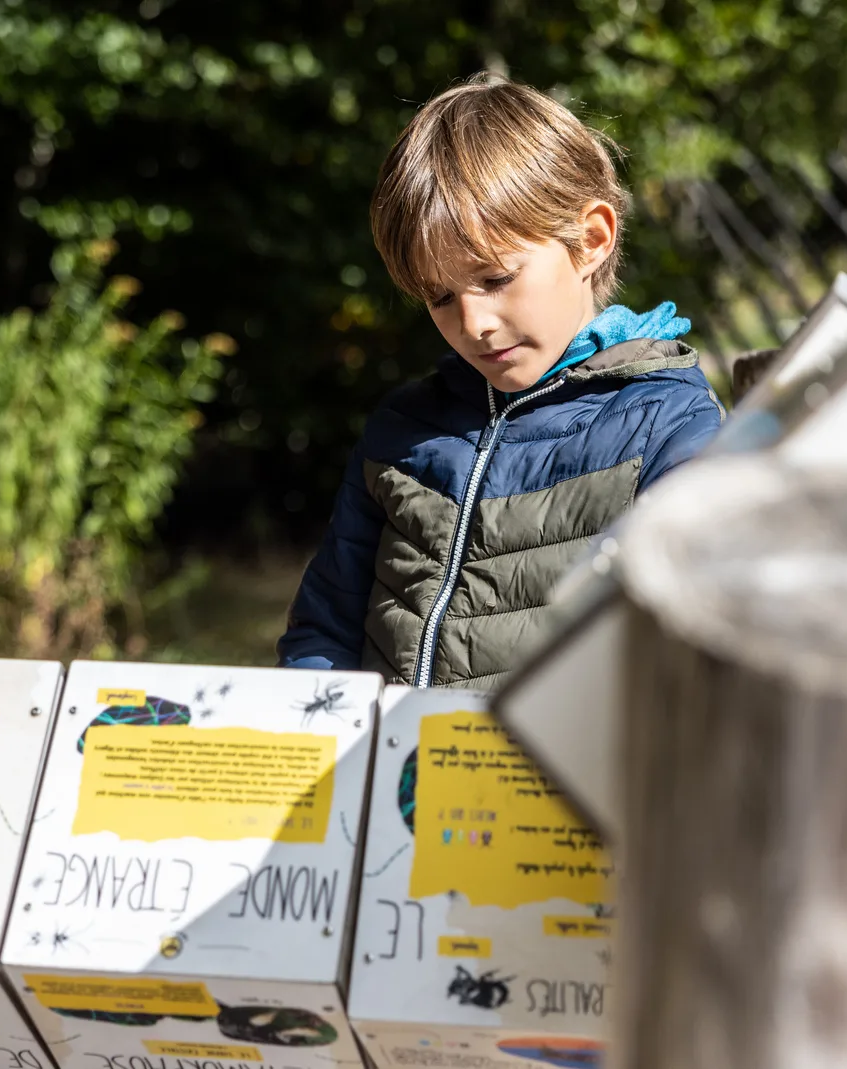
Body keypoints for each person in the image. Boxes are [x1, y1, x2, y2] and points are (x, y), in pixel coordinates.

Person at [277, 75, 723, 689]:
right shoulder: (406, 428)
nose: (473, 324)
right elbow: (324, 630)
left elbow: (685, 673)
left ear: (591, 240)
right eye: (439, 297)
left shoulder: (669, 429)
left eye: (493, 279)